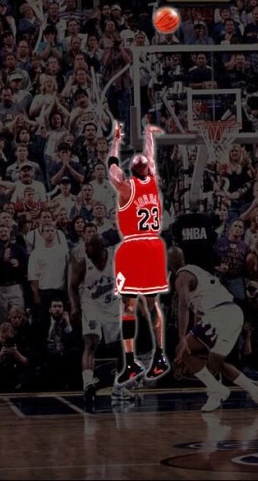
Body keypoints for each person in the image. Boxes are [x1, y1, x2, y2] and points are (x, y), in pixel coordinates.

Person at [171, 246, 258, 412]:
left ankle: (215, 389)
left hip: (220, 313)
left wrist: (182, 336)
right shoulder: (198, 273)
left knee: (183, 351)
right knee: (215, 361)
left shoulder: (182, 276)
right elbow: (198, 315)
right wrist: (194, 336)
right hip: (233, 313)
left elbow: (183, 306)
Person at [108, 122, 170, 385]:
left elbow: (111, 167)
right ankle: (159, 356)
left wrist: (116, 141)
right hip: (154, 247)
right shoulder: (153, 181)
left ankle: (130, 361)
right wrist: (148, 135)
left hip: (134, 246)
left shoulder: (125, 187)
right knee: (153, 303)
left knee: (128, 305)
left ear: (131, 170)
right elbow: (151, 156)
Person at [69, 233, 121, 411]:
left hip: (113, 306)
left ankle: (119, 386)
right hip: (91, 306)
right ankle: (88, 383)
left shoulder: (116, 258)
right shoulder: (83, 263)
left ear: (101, 247)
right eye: (85, 246)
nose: (86, 250)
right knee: (91, 343)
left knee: (121, 348)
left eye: (89, 246)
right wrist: (74, 306)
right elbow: (72, 286)